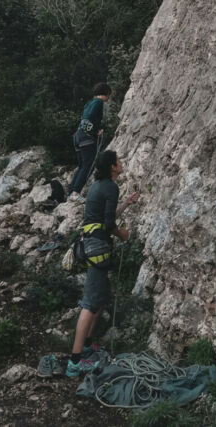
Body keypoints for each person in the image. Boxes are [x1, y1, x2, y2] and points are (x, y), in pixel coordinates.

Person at [66, 150, 139, 377]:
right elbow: (108, 224)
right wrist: (122, 234)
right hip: (98, 245)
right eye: (118, 160)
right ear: (112, 167)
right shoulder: (110, 187)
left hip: (90, 243)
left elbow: (104, 216)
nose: (121, 162)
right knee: (90, 303)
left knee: (99, 298)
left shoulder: (100, 185)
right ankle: (75, 362)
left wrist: (126, 204)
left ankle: (87, 346)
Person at [68, 83, 112, 201]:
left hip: (78, 136)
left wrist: (93, 130)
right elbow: (90, 117)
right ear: (107, 93)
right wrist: (93, 130)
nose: (109, 98)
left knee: (82, 166)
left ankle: (71, 193)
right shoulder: (98, 102)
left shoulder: (90, 102)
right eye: (109, 95)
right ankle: (75, 193)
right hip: (86, 138)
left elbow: (85, 117)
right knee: (88, 166)